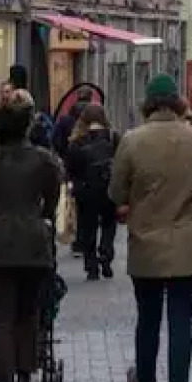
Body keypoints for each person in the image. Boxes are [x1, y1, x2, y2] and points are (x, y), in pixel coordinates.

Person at [113, 74, 192, 382]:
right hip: (187, 246)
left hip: (146, 244)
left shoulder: (131, 141)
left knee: (148, 319)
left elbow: (116, 192)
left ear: (148, 103)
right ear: (177, 102)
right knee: (180, 323)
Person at [0, 101, 63, 382]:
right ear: (27, 127)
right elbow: (51, 200)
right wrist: (42, 217)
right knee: (28, 315)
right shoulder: (44, 161)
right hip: (33, 244)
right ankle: (25, 381)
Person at [62, 103, 121, 280]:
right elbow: (121, 162)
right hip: (108, 187)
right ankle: (106, 253)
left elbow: (70, 167)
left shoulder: (77, 141)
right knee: (109, 223)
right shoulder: (113, 137)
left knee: (88, 227)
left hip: (86, 190)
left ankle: (91, 265)